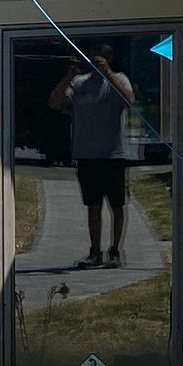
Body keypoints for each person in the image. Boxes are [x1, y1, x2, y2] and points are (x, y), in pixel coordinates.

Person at [49, 43, 134, 268]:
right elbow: (55, 102)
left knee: (117, 205)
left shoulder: (119, 80)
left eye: (99, 60)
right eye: (92, 60)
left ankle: (115, 251)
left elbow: (129, 101)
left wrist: (108, 73)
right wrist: (69, 75)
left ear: (108, 60)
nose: (94, 64)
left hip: (113, 155)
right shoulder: (79, 83)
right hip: (87, 155)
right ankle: (94, 251)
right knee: (93, 205)